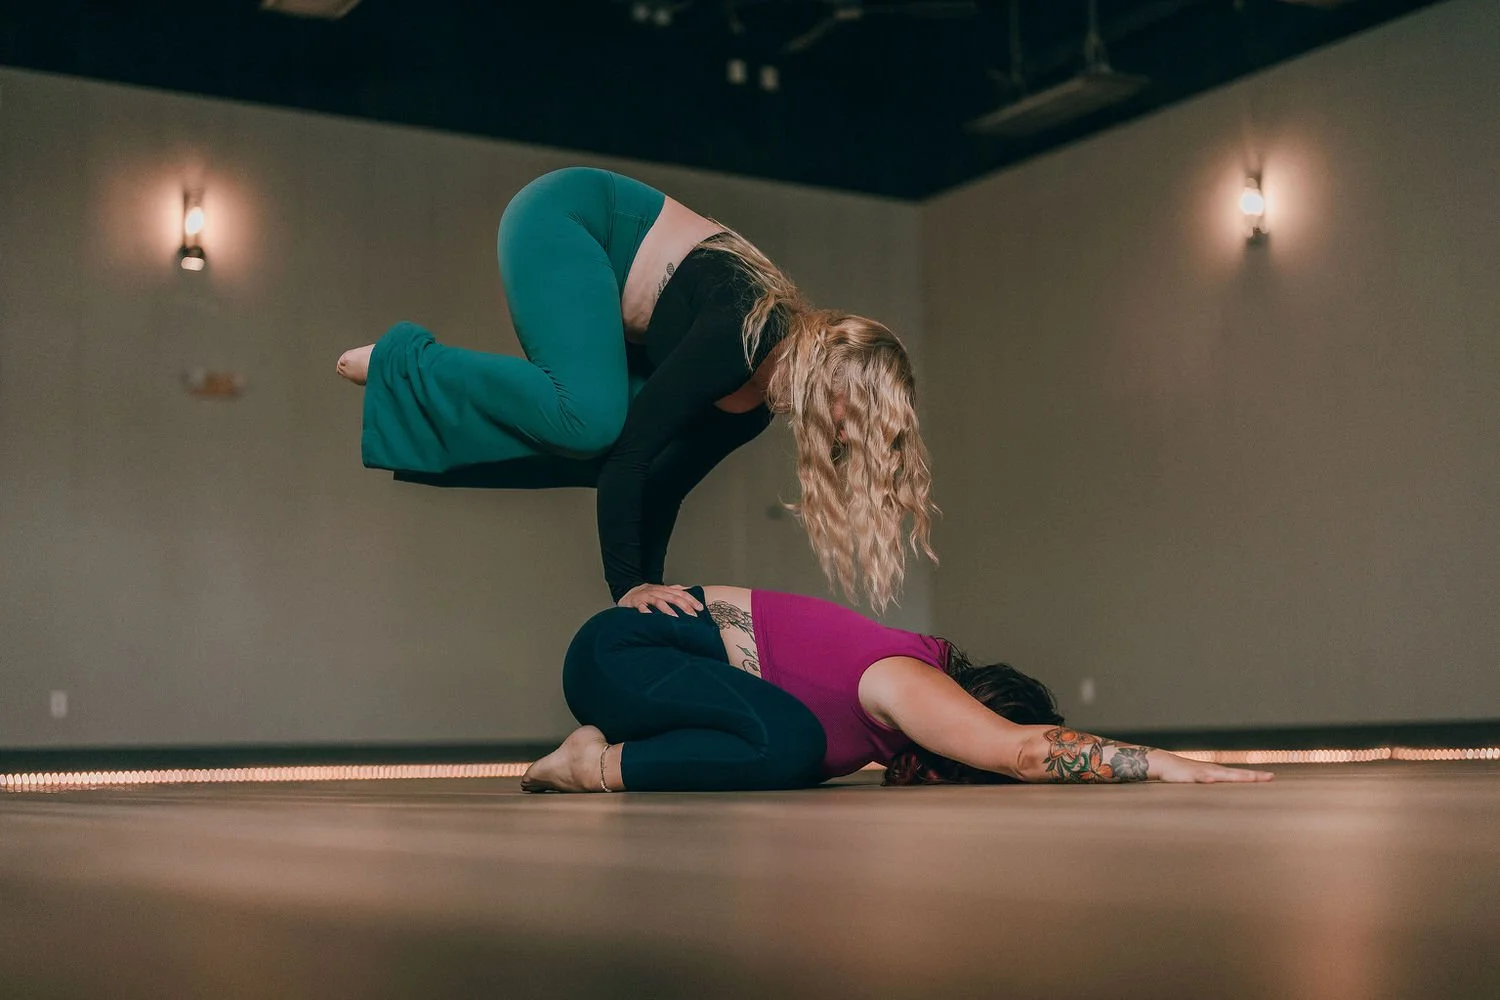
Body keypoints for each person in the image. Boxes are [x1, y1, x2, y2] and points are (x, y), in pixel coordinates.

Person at [336, 167, 935, 615]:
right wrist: (626, 588)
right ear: (834, 374)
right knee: (593, 424)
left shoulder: (751, 408)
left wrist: (654, 590)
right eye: (850, 414)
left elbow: (662, 482)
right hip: (567, 218)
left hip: (612, 280)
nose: (841, 434)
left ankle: (413, 379)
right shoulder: (743, 332)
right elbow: (631, 456)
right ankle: (406, 361)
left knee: (602, 447)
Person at [520, 586, 1274, 792]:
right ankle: (590, 767)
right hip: (622, 653)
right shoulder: (905, 680)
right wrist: (1167, 766)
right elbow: (1023, 754)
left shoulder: (874, 722)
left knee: (793, 751)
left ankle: (606, 758)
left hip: (648, 673)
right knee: (790, 746)